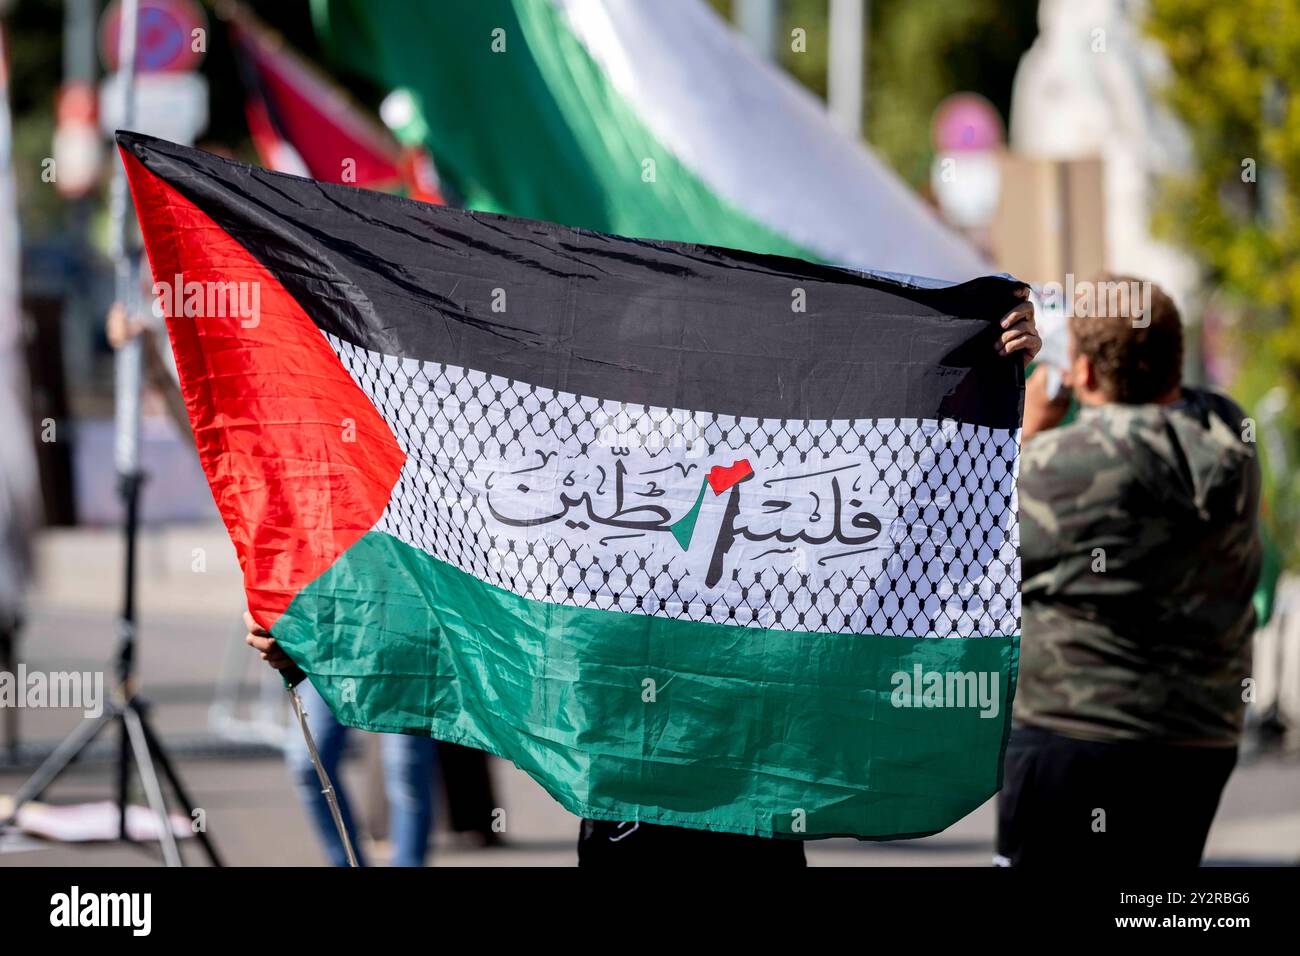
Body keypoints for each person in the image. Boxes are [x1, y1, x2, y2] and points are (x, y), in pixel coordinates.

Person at [250, 290, 1041, 867]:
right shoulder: (567, 516)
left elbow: (910, 516)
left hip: (750, 829)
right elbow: (449, 615)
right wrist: (309, 638)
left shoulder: (775, 504)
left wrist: (999, 372)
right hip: (627, 832)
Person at [999, 275, 1261, 867]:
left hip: (1077, 738)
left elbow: (973, 539)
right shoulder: (1227, 437)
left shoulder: (1062, 464)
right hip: (1200, 740)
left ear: (1085, 373)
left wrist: (1031, 422)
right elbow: (1153, 406)